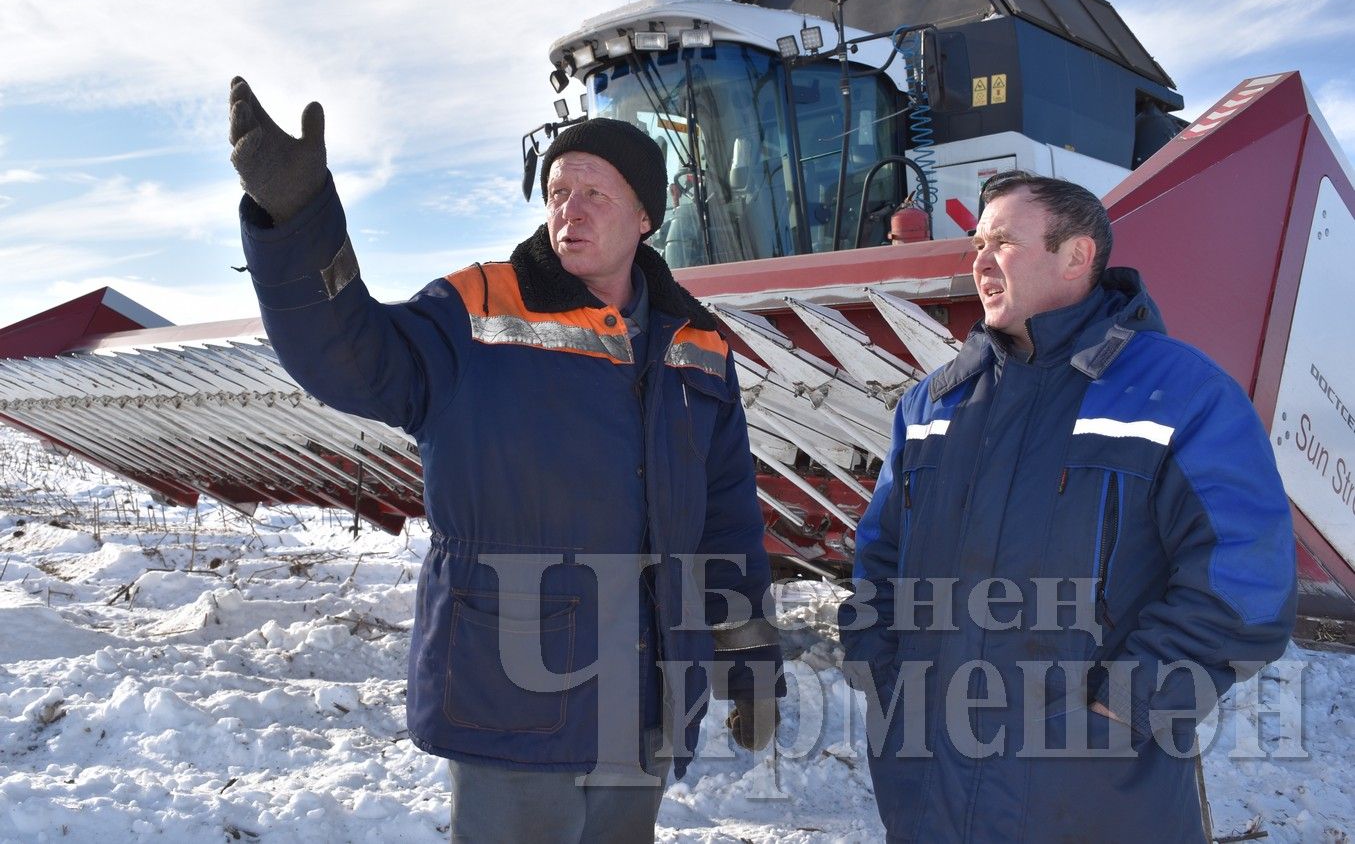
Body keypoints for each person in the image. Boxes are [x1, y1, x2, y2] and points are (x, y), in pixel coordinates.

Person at [227, 78, 782, 843]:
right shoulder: (478, 311)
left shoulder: (698, 345)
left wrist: (747, 654)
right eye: (557, 190)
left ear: (646, 215)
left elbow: (724, 515)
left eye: (594, 192)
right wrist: (297, 220)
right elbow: (348, 356)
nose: (569, 209)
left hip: (646, 698)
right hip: (514, 695)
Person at [839, 170, 1296, 843]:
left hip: (1089, 797)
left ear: (1076, 254)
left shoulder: (1178, 393)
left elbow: (1245, 580)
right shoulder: (933, 404)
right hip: (926, 791)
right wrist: (881, 669)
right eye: (975, 246)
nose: (980, 263)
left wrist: (1124, 706)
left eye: (1003, 243)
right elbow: (879, 557)